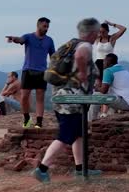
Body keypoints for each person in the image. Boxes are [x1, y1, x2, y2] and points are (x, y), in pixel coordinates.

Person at [32, 18, 100, 183]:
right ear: (92, 32)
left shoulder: (72, 43)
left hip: (63, 97)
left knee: (78, 135)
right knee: (65, 136)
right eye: (97, 32)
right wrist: (83, 74)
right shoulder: (84, 46)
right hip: (72, 100)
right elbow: (80, 56)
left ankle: (80, 169)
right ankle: (42, 169)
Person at [5, 17, 56, 128]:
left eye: (47, 27)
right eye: (44, 26)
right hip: (28, 70)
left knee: (40, 97)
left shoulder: (49, 40)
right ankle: (27, 118)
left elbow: (53, 56)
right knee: (24, 97)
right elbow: (21, 40)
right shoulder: (28, 37)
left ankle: (39, 121)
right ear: (38, 25)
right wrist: (14, 39)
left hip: (42, 72)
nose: (46, 29)